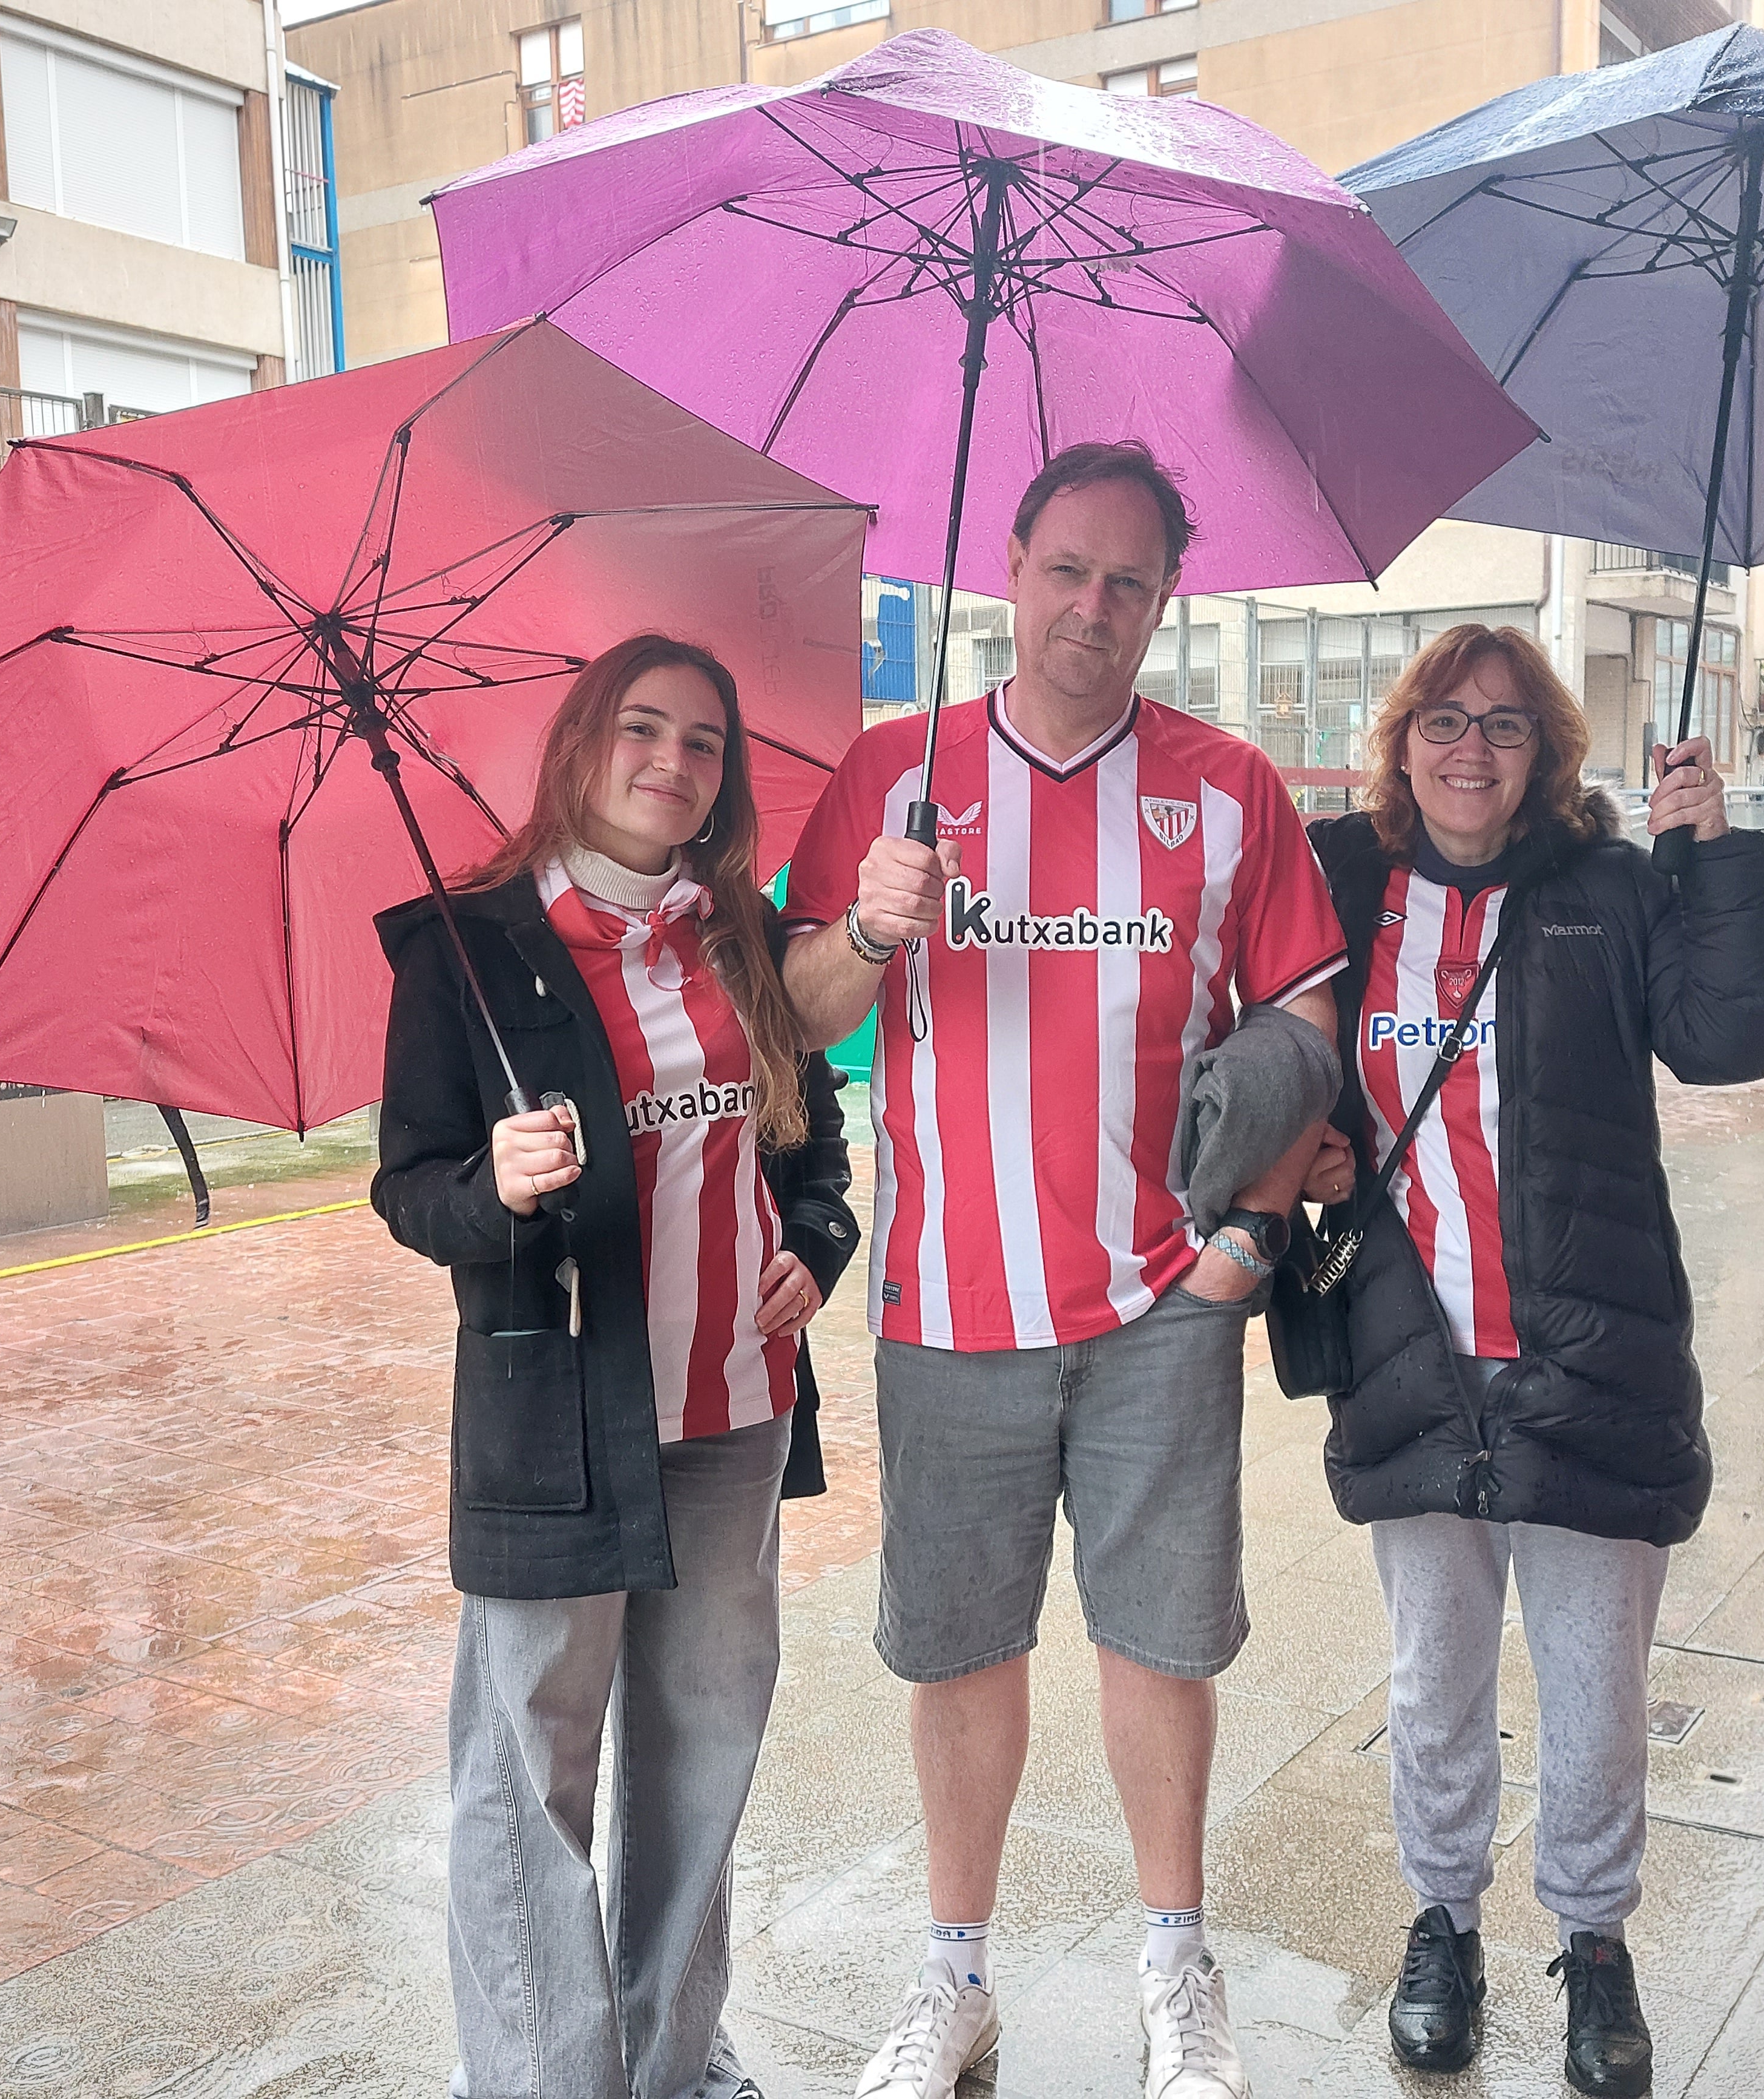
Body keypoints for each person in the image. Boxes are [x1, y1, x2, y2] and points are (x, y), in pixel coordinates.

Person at [779, 442, 1344, 2099]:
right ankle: (954, 1976)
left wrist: (1245, 1235)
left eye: (1131, 582)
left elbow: (1306, 1016)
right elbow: (796, 1019)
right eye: (1067, 569)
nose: (1094, 607)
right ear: (1010, 566)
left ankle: (1179, 1967)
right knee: (960, 1648)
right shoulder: (896, 771)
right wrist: (869, 929)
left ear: (1163, 600)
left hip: (1167, 1304)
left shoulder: (1227, 787)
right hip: (951, 1308)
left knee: (1162, 1642)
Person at [1295, 626, 1764, 2096]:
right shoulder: (1345, 884)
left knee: (1593, 1682)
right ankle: (1441, 1920)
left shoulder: (1606, 889)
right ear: (1400, 741)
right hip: (1409, 1350)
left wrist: (1712, 859)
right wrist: (1302, 1145)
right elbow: (1261, 1032)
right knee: (1432, 1672)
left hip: (1590, 1349)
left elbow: (1733, 1039)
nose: (1470, 749)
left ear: (1547, 754)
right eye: (1443, 722)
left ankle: (1591, 1941)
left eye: (1505, 727)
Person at [375, 634, 859, 2099]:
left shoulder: (738, 938)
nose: (672, 761)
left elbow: (813, 1146)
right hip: (556, 1419)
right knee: (530, 1765)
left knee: (700, 1752)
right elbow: (412, 1187)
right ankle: (543, 2075)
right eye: (641, 728)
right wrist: (496, 1183)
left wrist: (818, 1248)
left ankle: (668, 2060)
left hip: (733, 1410)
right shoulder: (466, 944)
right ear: (581, 743)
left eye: (704, 740)